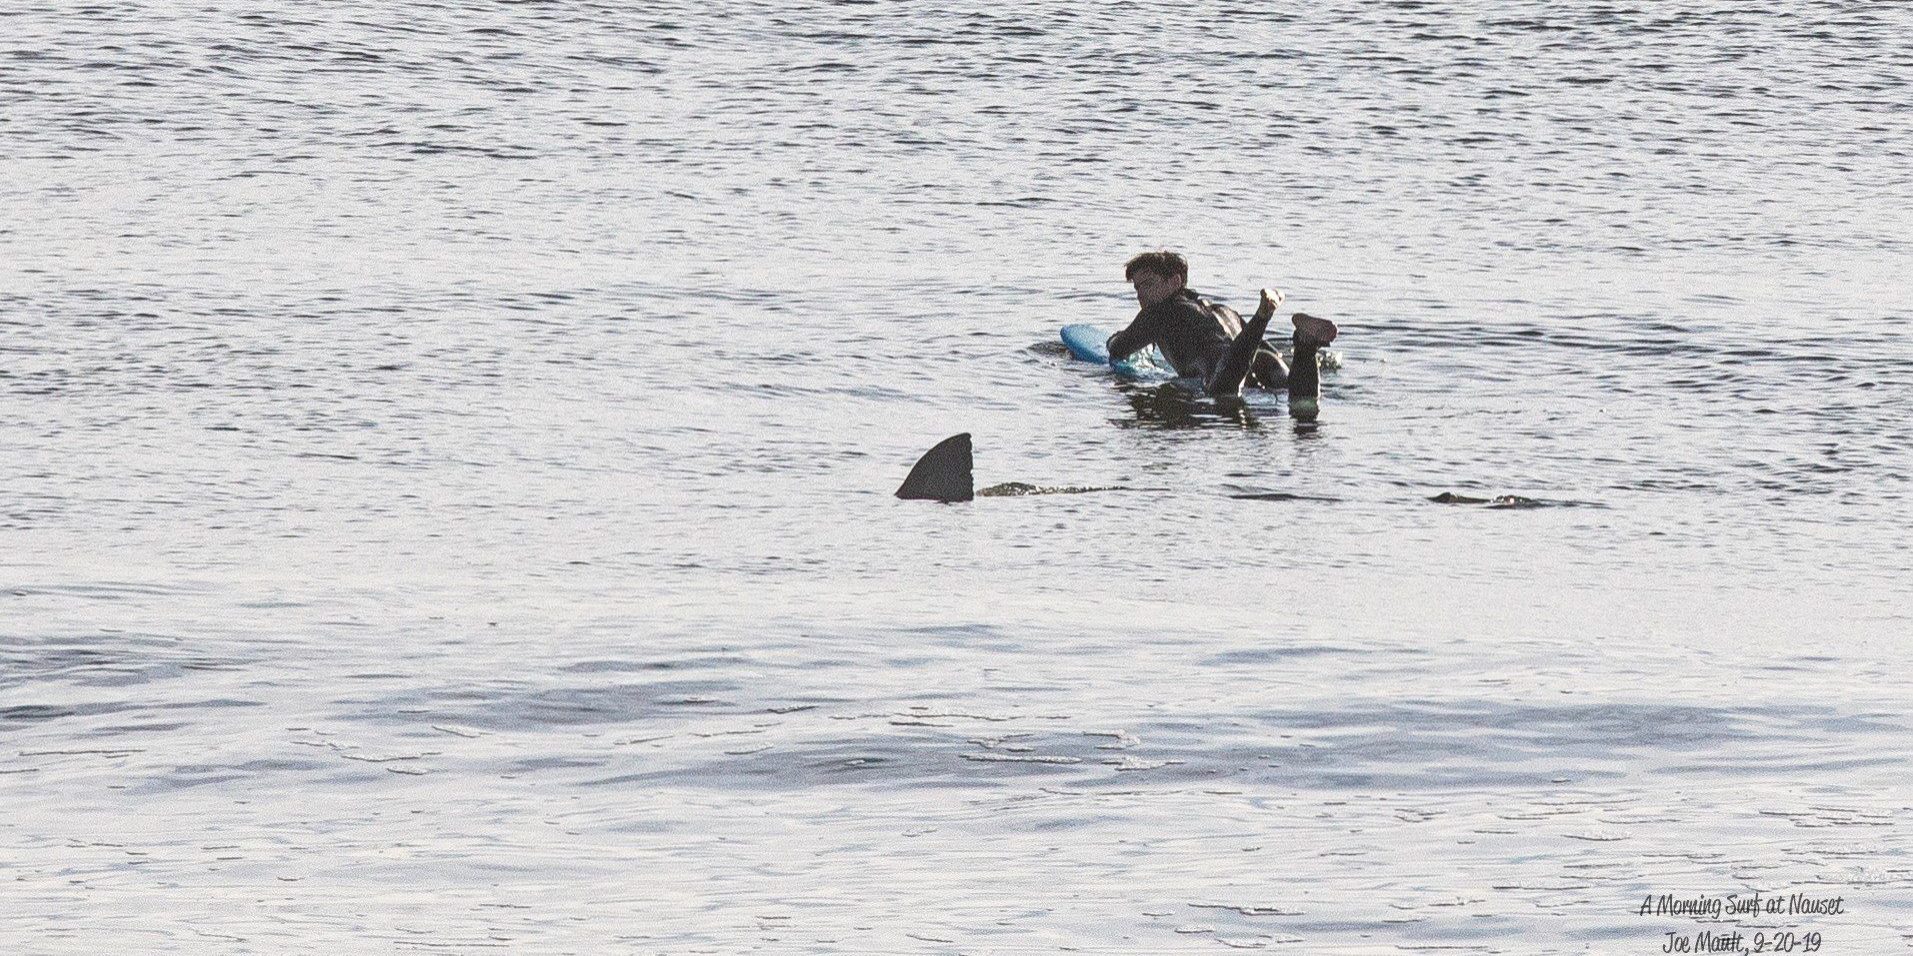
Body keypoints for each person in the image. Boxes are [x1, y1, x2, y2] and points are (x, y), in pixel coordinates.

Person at [1107, 250, 1338, 419]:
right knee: (1302, 401)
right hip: (1263, 358)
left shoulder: (1158, 313)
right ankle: (1305, 345)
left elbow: (1119, 348)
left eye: (1147, 284)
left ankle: (1264, 315)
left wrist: (1113, 338)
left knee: (1223, 392)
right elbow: (1266, 349)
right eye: (1137, 288)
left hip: (1225, 369)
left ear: (1175, 282)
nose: (1140, 295)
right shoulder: (1223, 310)